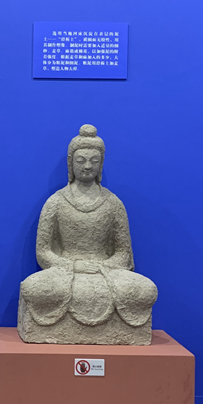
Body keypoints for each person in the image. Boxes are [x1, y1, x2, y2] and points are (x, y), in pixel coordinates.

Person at [20, 124, 157, 329]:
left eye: (94, 161)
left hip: (105, 271)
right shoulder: (56, 202)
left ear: (101, 165)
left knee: (146, 290)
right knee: (34, 289)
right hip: (66, 271)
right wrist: (74, 266)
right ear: (71, 164)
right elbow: (43, 252)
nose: (87, 166)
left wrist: (102, 267)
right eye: (80, 160)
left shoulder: (113, 203)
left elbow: (124, 254)